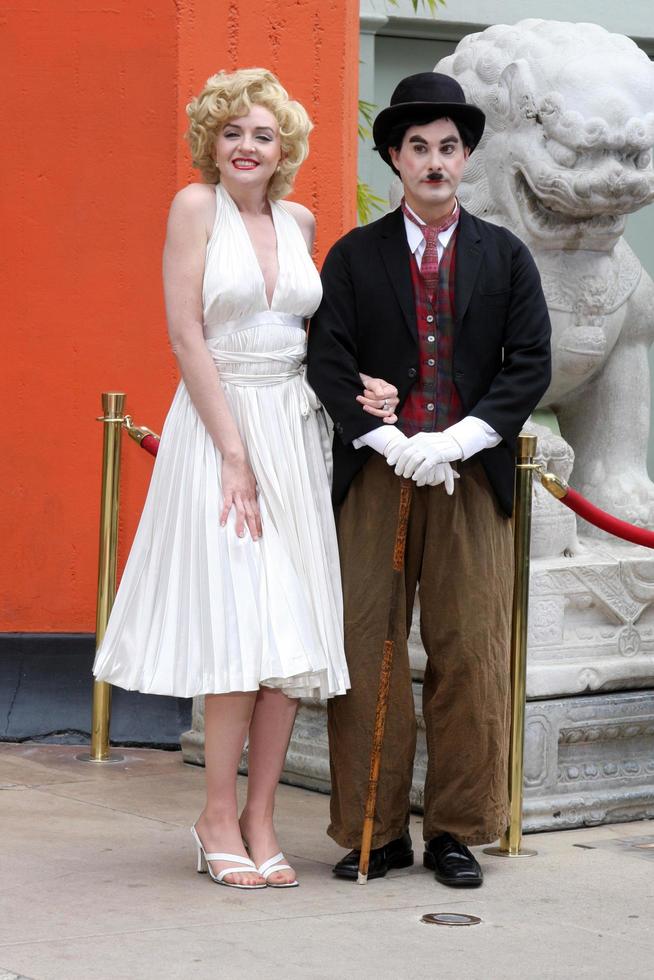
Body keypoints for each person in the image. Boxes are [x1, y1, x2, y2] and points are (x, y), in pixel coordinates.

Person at [93, 68, 398, 890]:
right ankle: (215, 816)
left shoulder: (299, 220)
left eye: (262, 134)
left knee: (288, 631)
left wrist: (360, 386)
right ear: (211, 142)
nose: (246, 146)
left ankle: (262, 820)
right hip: (219, 430)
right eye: (232, 132)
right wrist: (231, 452)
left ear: (284, 147)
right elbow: (187, 334)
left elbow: (315, 340)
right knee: (238, 625)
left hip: (294, 435)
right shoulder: (195, 209)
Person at [307, 72, 551, 887]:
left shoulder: (506, 256)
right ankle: (373, 831)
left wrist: (459, 439)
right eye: (419, 148)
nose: (436, 161)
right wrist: (386, 439)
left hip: (471, 475)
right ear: (394, 160)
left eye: (449, 147)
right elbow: (328, 361)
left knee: (470, 649)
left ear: (467, 157)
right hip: (379, 477)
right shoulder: (354, 255)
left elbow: (530, 367)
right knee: (366, 647)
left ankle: (455, 828)